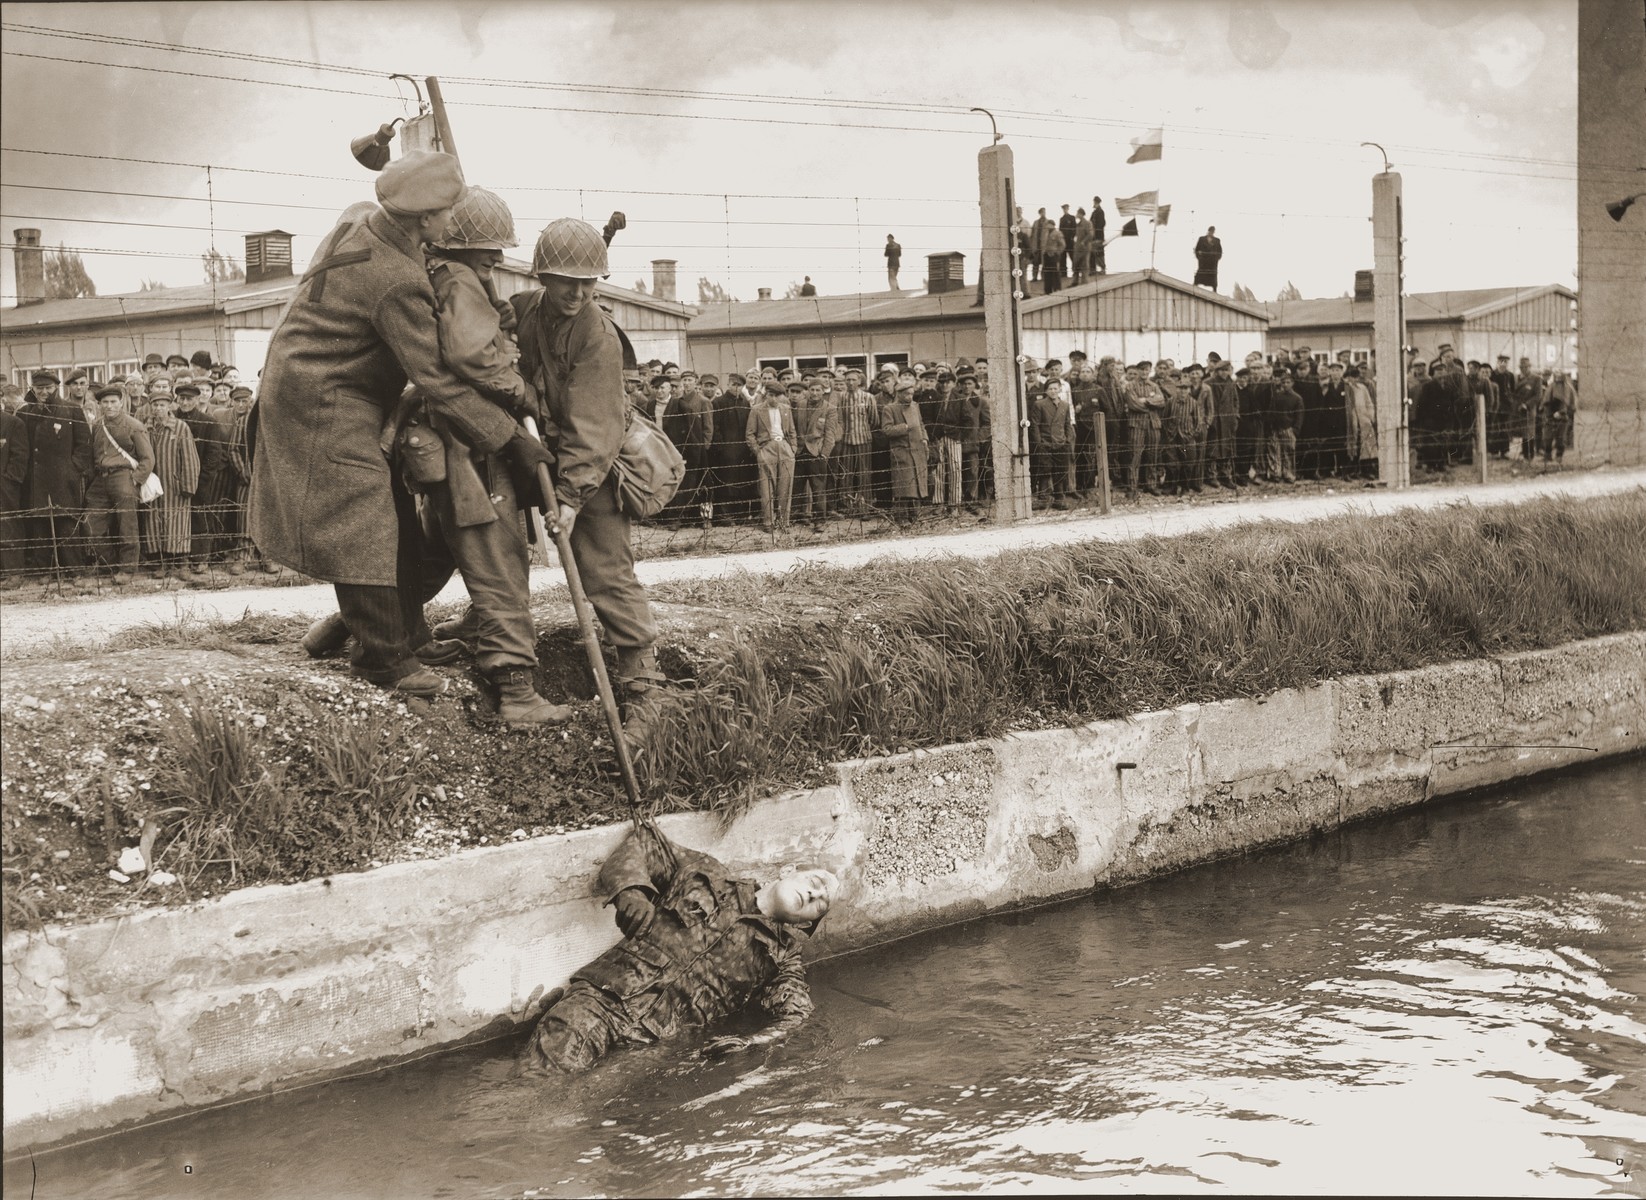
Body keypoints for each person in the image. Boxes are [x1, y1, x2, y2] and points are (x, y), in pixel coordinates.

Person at [250, 150, 524, 698]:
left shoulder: (360, 217)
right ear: (424, 220)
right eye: (447, 213)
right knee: (363, 519)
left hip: (316, 383)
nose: (452, 225)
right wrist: (510, 437)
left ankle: (409, 634)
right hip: (323, 399)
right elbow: (439, 380)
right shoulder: (397, 282)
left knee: (394, 513)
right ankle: (382, 660)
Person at [514, 216, 667, 745]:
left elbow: (594, 429)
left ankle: (645, 686)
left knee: (605, 571)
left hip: (593, 462)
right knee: (496, 541)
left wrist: (572, 497)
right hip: (543, 449)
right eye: (566, 281)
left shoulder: (598, 336)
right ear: (540, 277)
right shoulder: (524, 312)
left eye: (589, 282)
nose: (578, 292)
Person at [519, 822, 838, 1073]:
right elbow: (645, 841)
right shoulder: (707, 873)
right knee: (541, 1082)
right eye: (815, 883)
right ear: (788, 872)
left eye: (820, 903)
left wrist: (751, 1041)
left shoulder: (783, 959)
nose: (815, 895)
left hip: (654, 1047)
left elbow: (796, 1015)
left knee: (581, 1106)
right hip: (602, 1000)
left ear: (803, 924)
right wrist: (631, 893)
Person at [18, 369, 93, 581]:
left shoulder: (71, 410)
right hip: (36, 480)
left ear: (56, 388)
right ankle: (45, 571)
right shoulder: (25, 413)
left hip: (64, 480)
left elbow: (84, 445)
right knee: (41, 526)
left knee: (67, 525)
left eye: (48, 388)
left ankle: (75, 571)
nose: (44, 392)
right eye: (39, 388)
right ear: (33, 388)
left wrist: (73, 469)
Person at [85, 384, 155, 583]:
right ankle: (108, 563)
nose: (109, 406)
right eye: (105, 402)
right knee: (91, 524)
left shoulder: (133, 425)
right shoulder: (98, 425)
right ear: (99, 404)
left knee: (127, 524)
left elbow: (147, 459)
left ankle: (127, 569)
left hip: (123, 476)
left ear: (121, 402)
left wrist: (134, 480)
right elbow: (94, 455)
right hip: (101, 479)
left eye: (113, 402)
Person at [142, 392, 200, 579]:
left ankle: (182, 563)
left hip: (175, 486)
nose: (158, 408)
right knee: (154, 522)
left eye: (162, 405)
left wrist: (188, 485)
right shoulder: (145, 428)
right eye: (155, 405)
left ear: (169, 406)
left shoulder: (180, 428)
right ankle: (161, 562)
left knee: (178, 521)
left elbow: (191, 458)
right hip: (153, 486)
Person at [746, 378, 797, 533]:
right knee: (766, 487)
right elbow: (750, 434)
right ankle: (768, 522)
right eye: (770, 395)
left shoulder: (786, 409)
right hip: (767, 448)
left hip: (784, 447)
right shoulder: (756, 410)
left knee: (785, 486)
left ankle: (783, 522)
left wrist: (792, 447)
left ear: (782, 396)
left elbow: (792, 430)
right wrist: (758, 451)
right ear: (765, 395)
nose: (773, 398)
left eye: (777, 395)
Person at [792, 374, 838, 532]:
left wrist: (824, 454)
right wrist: (794, 448)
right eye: (812, 389)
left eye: (818, 390)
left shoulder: (829, 409)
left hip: (816, 452)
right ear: (808, 390)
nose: (815, 393)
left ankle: (820, 520)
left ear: (823, 391)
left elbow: (830, 434)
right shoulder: (800, 405)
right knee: (796, 486)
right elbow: (794, 429)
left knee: (818, 488)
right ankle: (796, 517)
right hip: (799, 451)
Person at [879, 375, 928, 524]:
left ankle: (915, 516)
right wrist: (904, 428)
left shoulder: (915, 406)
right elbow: (886, 430)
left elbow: (921, 424)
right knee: (904, 486)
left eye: (911, 394)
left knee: (918, 484)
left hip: (917, 450)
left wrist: (924, 438)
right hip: (902, 452)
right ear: (898, 394)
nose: (909, 397)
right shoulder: (890, 408)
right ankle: (901, 517)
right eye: (906, 394)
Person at [1193, 226, 1222, 291]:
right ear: (1208, 231)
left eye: (1212, 231)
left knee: (1213, 276)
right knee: (1200, 274)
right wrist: (1199, 257)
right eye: (1210, 231)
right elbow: (1197, 250)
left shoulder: (1217, 241)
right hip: (1203, 261)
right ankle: (1195, 285)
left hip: (1212, 263)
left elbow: (1220, 252)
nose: (1211, 233)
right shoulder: (1201, 239)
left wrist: (1216, 259)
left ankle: (1214, 289)